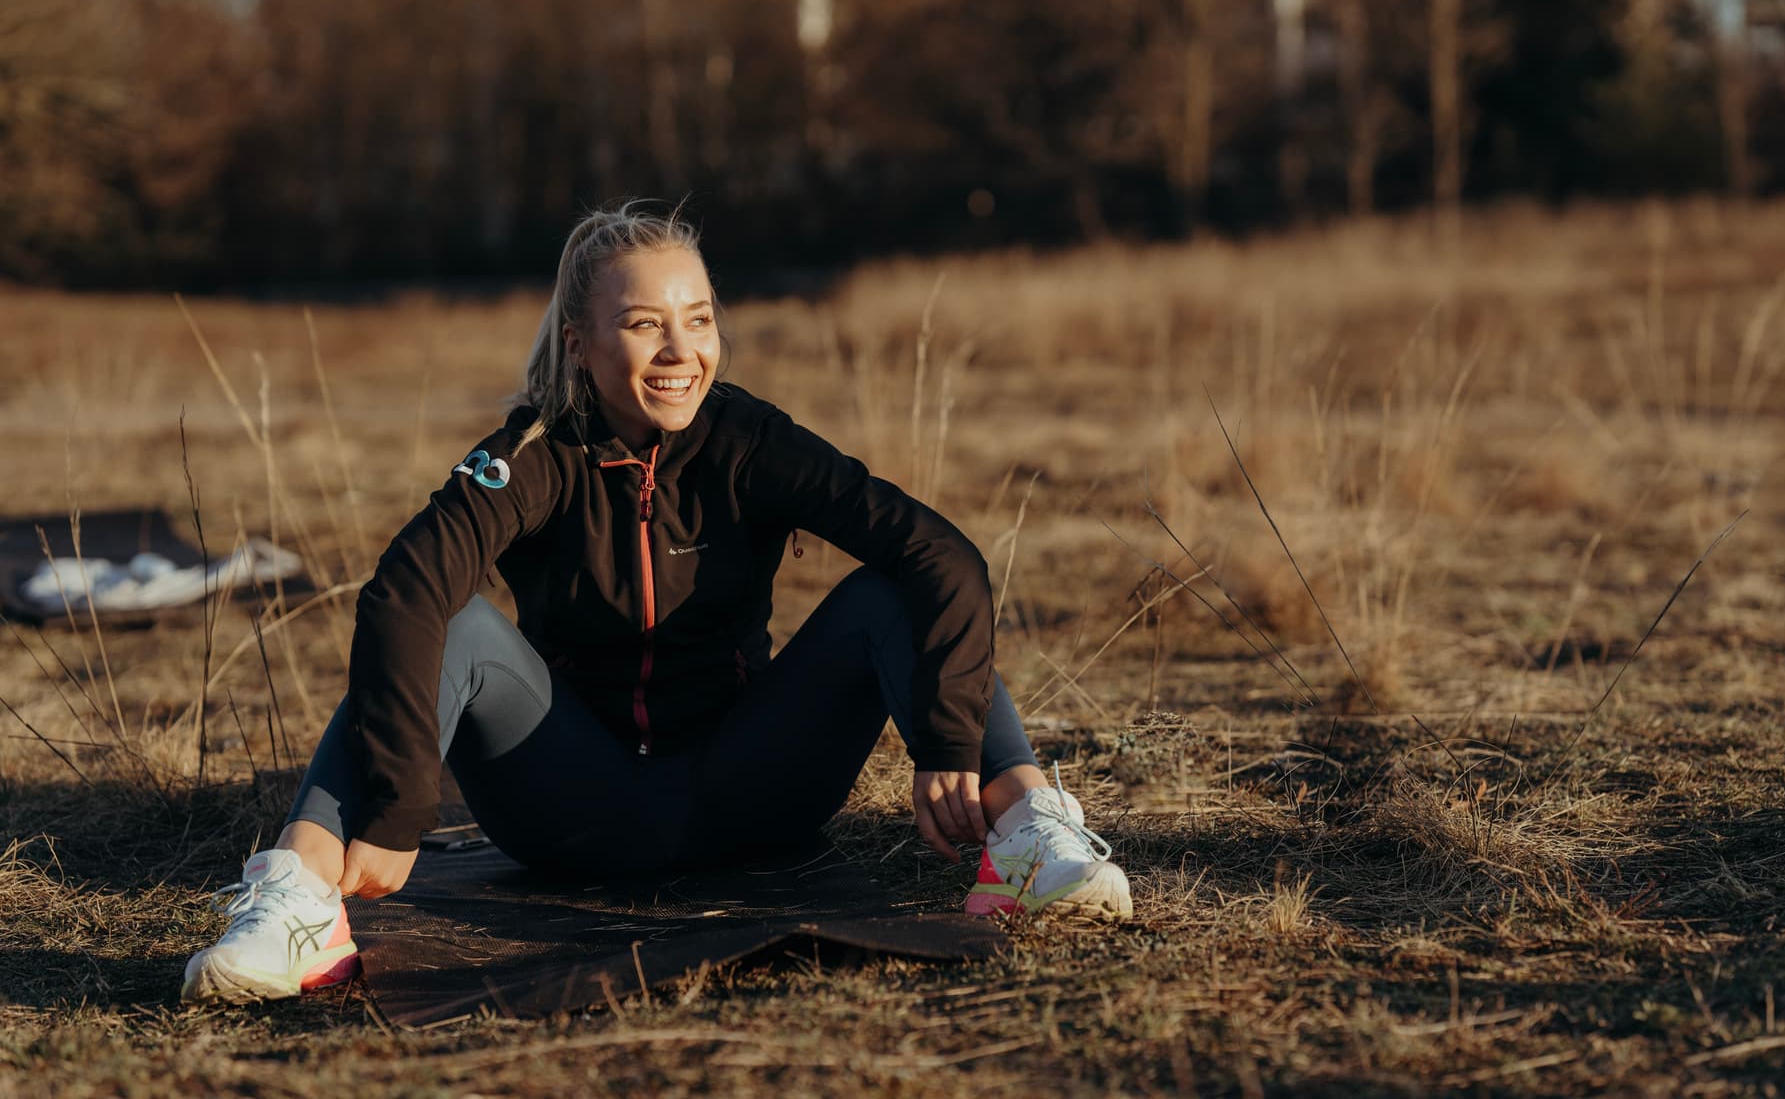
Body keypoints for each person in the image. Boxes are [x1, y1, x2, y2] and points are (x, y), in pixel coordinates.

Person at [182, 205, 1132, 1003]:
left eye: (701, 319)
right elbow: (402, 591)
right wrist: (397, 811)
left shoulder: (749, 439)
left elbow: (942, 556)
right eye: (643, 324)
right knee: (452, 621)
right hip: (573, 809)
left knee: (890, 589)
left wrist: (949, 744)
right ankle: (303, 900)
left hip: (750, 793)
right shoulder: (536, 452)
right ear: (579, 343)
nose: (681, 351)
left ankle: (1028, 838)